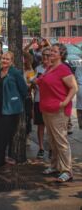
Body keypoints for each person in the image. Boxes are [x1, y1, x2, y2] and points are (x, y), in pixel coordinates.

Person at [36, 43, 78, 182]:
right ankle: (54, 166)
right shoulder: (49, 67)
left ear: (61, 54)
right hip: (46, 109)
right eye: (50, 51)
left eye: (54, 51)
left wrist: (65, 102)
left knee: (61, 141)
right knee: (52, 140)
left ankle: (67, 170)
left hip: (58, 110)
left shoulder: (63, 69)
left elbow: (74, 88)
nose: (50, 53)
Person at [0, 51, 28, 170]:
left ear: (12, 61)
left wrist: (15, 100)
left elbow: (24, 90)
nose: (4, 61)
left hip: (9, 110)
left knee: (1, 136)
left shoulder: (15, 73)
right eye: (3, 58)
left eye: (7, 59)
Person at [33, 47, 51, 159]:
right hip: (38, 100)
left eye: (48, 55)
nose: (45, 57)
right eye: (44, 54)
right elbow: (33, 83)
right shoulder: (38, 68)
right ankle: (41, 148)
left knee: (51, 126)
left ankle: (51, 148)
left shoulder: (54, 69)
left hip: (50, 102)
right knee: (40, 125)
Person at [23, 52, 35, 146]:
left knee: (27, 118)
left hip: (27, 97)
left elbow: (31, 85)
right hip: (18, 97)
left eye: (24, 58)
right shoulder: (16, 68)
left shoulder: (30, 70)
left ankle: (27, 137)